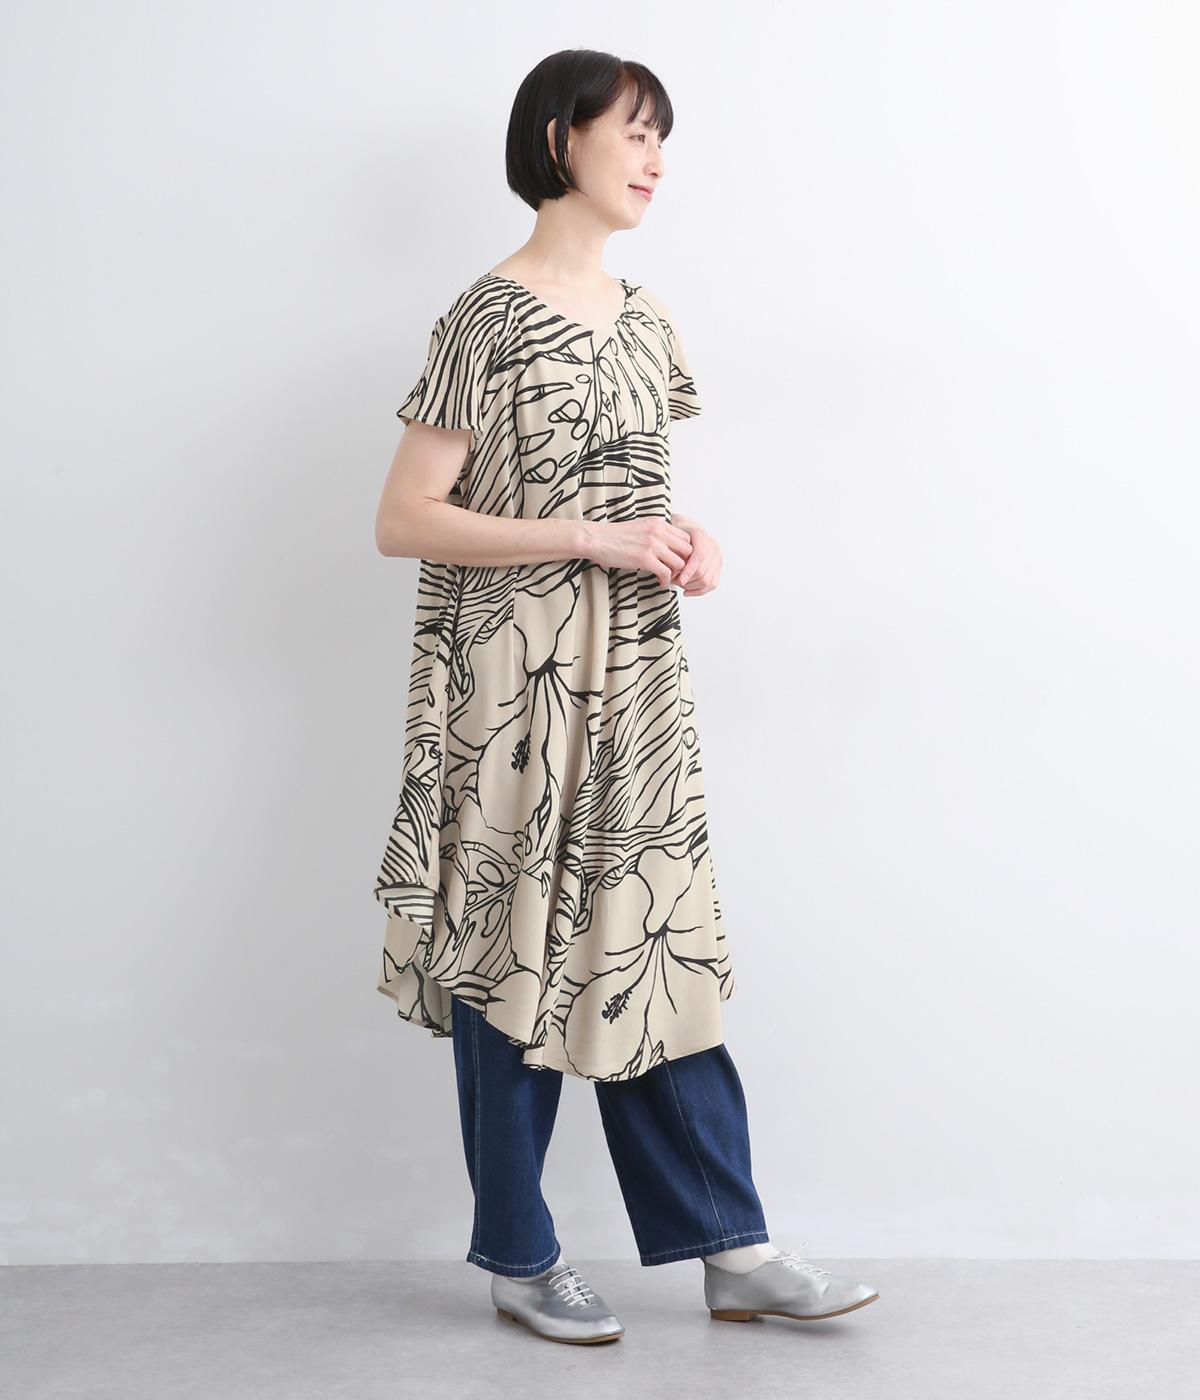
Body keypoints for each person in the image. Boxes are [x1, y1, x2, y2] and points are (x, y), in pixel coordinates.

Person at [372, 48, 879, 1343]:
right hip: (514, 686)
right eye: (635, 132)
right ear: (561, 139)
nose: (655, 160)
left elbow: (627, 492)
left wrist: (684, 541)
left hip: (638, 683)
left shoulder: (650, 320)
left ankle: (732, 1245)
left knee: (656, 946)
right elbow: (404, 517)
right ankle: (519, 1256)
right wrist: (591, 540)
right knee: (516, 951)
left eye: (664, 138)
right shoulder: (484, 316)